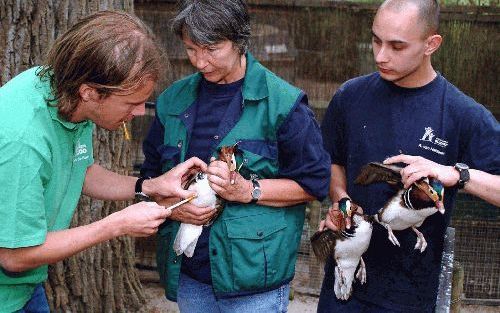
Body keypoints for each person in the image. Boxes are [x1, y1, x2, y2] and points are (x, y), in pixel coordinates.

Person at [0, 11, 207, 313]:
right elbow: (14, 256)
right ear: (91, 92)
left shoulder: (63, 93)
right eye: (131, 102)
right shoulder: (23, 140)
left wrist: (150, 186)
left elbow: (79, 169)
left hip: (24, 288)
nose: (139, 112)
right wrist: (117, 224)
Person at [140, 1, 331, 312]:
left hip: (254, 283)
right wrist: (171, 210)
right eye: (191, 49)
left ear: (240, 40)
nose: (200, 61)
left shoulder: (283, 104)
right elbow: (149, 179)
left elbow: (314, 183)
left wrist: (249, 190)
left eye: (211, 48)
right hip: (190, 273)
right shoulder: (172, 100)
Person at [317, 0, 500, 312]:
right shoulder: (350, 96)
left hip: (409, 295)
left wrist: (457, 175)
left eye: (397, 46)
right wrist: (341, 201)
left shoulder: (462, 114)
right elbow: (333, 159)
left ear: (431, 44)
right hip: (342, 286)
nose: (380, 55)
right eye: (376, 40)